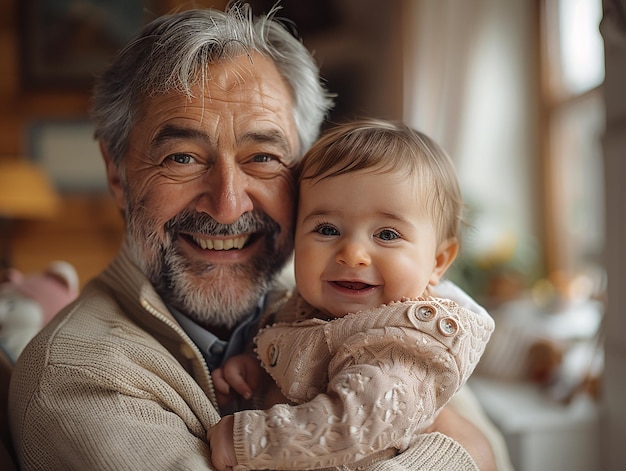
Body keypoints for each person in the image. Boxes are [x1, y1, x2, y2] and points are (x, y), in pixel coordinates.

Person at [8, 3, 504, 470]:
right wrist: (456, 450)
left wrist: (468, 444)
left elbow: (493, 447)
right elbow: (475, 449)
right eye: (182, 157)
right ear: (117, 174)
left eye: (263, 158)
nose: (227, 204)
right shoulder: (80, 375)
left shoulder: (342, 296)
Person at [206, 119, 495, 470]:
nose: (353, 253)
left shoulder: (404, 344)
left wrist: (248, 439)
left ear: (437, 262)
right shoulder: (301, 305)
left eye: (387, 234)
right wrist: (262, 368)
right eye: (327, 229)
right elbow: (306, 360)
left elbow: (355, 424)